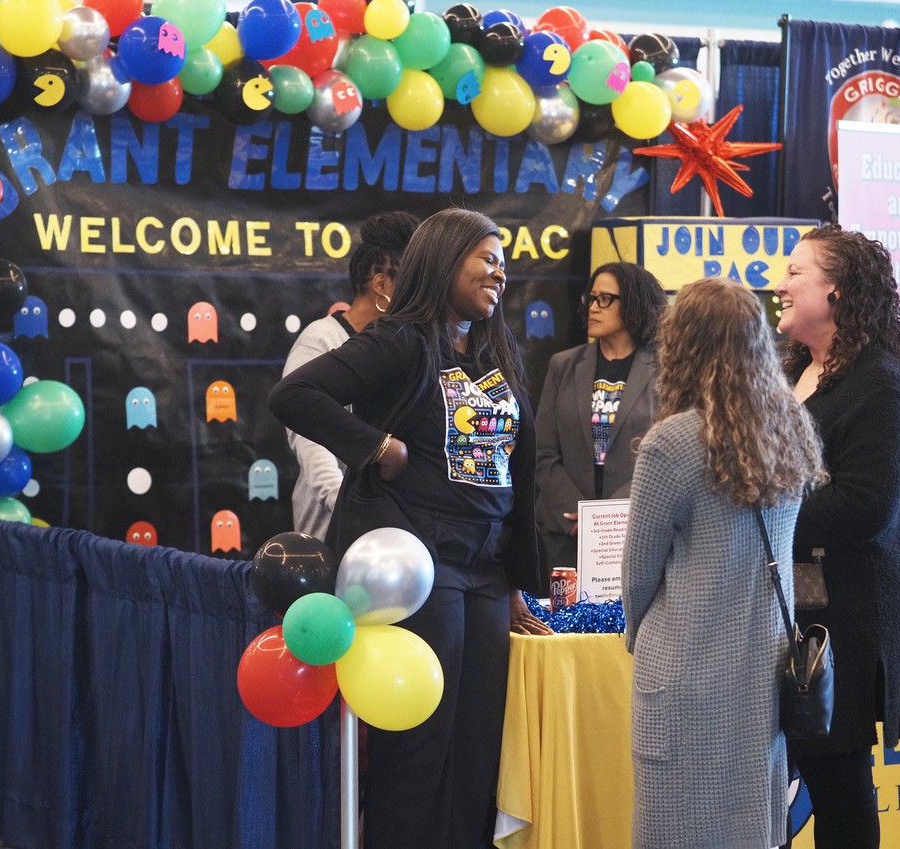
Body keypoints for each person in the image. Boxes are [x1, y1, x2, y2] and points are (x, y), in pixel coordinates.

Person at [268, 208, 552, 849]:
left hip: (484, 567)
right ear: (444, 262)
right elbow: (293, 396)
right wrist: (376, 446)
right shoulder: (398, 341)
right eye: (485, 257)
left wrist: (515, 580)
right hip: (421, 566)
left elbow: (521, 474)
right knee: (421, 747)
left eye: (502, 260)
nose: (498, 271)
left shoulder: (491, 350)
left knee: (478, 745)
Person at [622, 277, 825, 849]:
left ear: (681, 343)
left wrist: (640, 637)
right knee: (751, 828)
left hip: (685, 668)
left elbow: (638, 574)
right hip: (763, 668)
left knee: (673, 829)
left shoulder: (673, 442)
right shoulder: (790, 426)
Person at [776, 224, 900, 849]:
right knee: (812, 775)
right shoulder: (794, 370)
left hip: (847, 617)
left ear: (836, 292)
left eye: (795, 272)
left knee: (839, 786)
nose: (779, 284)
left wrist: (760, 509)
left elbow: (864, 506)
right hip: (793, 609)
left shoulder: (881, 382)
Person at [280, 211, 419, 541]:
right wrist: (344, 503)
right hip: (335, 525)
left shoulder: (410, 341)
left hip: (400, 525)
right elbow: (308, 436)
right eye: (413, 282)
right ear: (382, 286)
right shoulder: (323, 339)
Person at [535, 261, 666, 571]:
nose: (593, 307)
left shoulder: (666, 370)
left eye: (605, 299)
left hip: (633, 533)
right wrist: (578, 514)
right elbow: (543, 454)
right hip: (565, 535)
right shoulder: (563, 365)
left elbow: (666, 457)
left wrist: (608, 520)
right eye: (590, 298)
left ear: (634, 304)